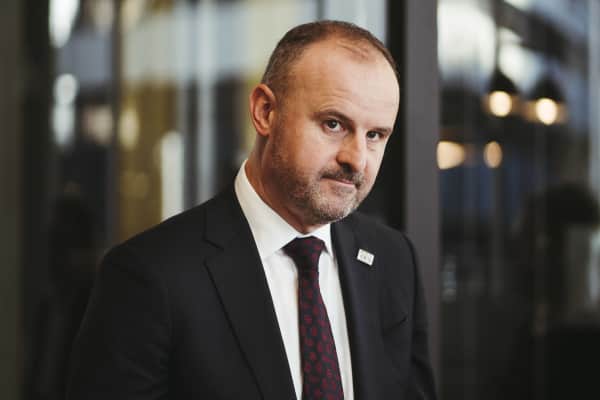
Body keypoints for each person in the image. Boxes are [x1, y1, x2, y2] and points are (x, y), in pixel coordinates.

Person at [67, 20, 437, 400]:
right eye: (333, 124)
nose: (357, 159)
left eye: (375, 135)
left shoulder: (394, 260)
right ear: (265, 112)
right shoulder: (148, 276)